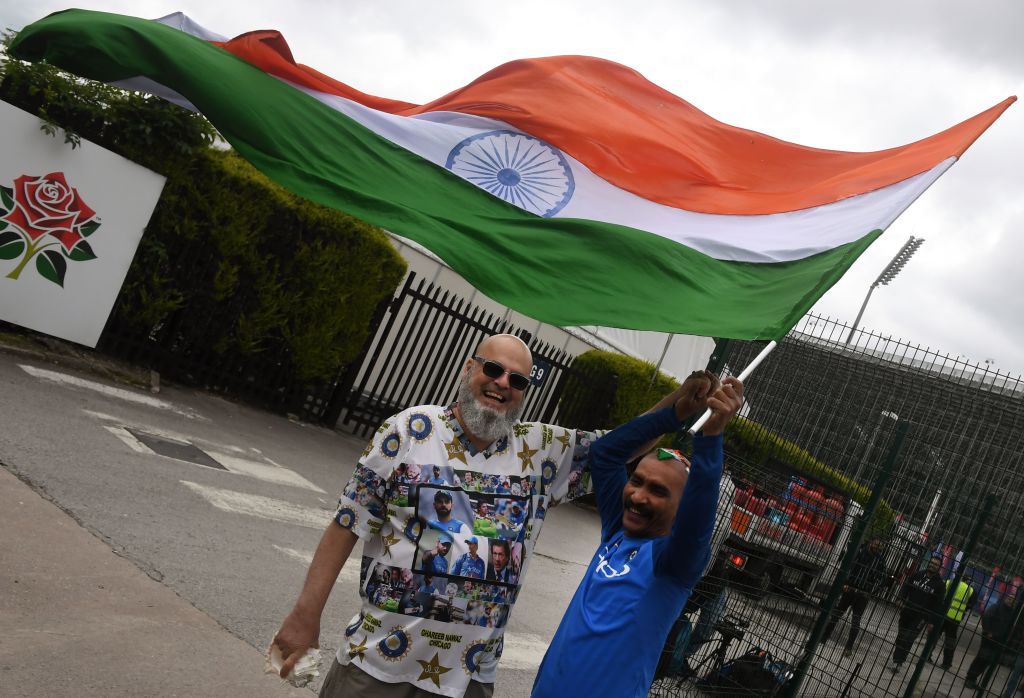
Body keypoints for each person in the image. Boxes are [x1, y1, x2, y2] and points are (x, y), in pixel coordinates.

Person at [272, 333, 695, 697]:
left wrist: (680, 404)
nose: (501, 383)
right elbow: (347, 524)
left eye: (517, 380)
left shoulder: (541, 450)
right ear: (468, 368)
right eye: (493, 369)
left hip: (468, 679)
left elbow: (619, 444)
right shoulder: (408, 430)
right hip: (376, 663)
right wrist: (305, 616)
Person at [531, 373, 744, 697]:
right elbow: (605, 453)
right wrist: (676, 411)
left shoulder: (672, 566)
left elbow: (698, 517)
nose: (638, 496)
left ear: (681, 508)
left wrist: (711, 438)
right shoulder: (618, 533)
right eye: (638, 481)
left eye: (658, 491)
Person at [822, 538, 887, 658]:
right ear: (871, 543)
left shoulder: (880, 560)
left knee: (856, 621)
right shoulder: (860, 552)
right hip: (850, 589)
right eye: (876, 544)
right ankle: (824, 637)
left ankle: (848, 647)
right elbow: (848, 567)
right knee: (836, 614)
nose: (877, 548)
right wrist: (845, 583)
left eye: (880, 547)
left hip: (863, 594)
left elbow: (883, 580)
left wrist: (872, 592)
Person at [890, 556, 945, 672]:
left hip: (921, 617)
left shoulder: (939, 585)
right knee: (901, 637)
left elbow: (938, 605)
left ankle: (898, 662)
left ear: (939, 568)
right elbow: (906, 587)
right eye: (931, 562)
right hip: (907, 611)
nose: (932, 565)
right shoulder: (918, 575)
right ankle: (898, 657)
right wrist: (900, 598)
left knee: (908, 639)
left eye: (935, 564)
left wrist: (931, 621)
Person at [967, 590, 1016, 689]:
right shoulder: (997, 607)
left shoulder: (1011, 613)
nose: (1010, 601)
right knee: (982, 657)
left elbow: (1010, 627)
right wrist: (987, 631)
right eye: (1009, 598)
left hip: (999, 640)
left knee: (989, 660)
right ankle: (970, 678)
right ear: (1005, 598)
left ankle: (973, 677)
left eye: (1012, 600)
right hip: (989, 638)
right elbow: (985, 617)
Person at [930, 575, 975, 669]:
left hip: (942, 614)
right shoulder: (970, 590)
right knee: (950, 642)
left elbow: (939, 595)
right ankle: (946, 664)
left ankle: (927, 654)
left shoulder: (948, 582)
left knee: (934, 636)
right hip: (955, 618)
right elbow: (970, 605)